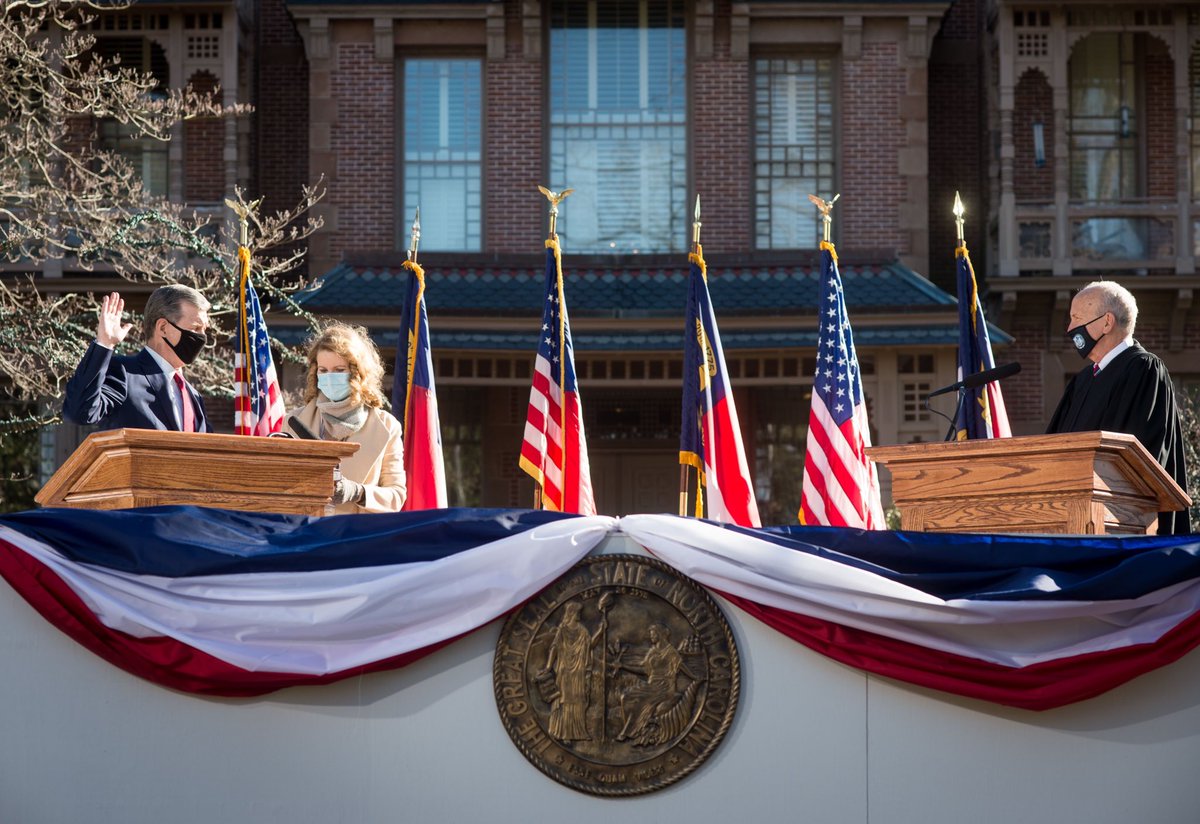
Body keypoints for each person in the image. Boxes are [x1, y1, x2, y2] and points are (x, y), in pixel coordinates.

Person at [1047, 281, 1190, 535]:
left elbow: (1140, 461)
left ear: (1107, 322)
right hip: (1070, 523)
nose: (1070, 328)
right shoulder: (1081, 381)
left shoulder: (1144, 370)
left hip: (1120, 528)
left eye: (1077, 318)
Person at [286, 323, 407, 513]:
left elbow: (396, 497)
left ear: (357, 372)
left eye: (339, 369)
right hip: (308, 536)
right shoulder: (293, 422)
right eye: (323, 371)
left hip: (357, 537)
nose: (330, 377)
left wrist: (357, 492)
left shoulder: (387, 426)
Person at [64, 286, 212, 432]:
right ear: (163, 328)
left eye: (204, 330)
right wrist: (104, 344)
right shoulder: (124, 373)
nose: (202, 337)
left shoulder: (193, 395)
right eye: (195, 328)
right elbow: (80, 413)